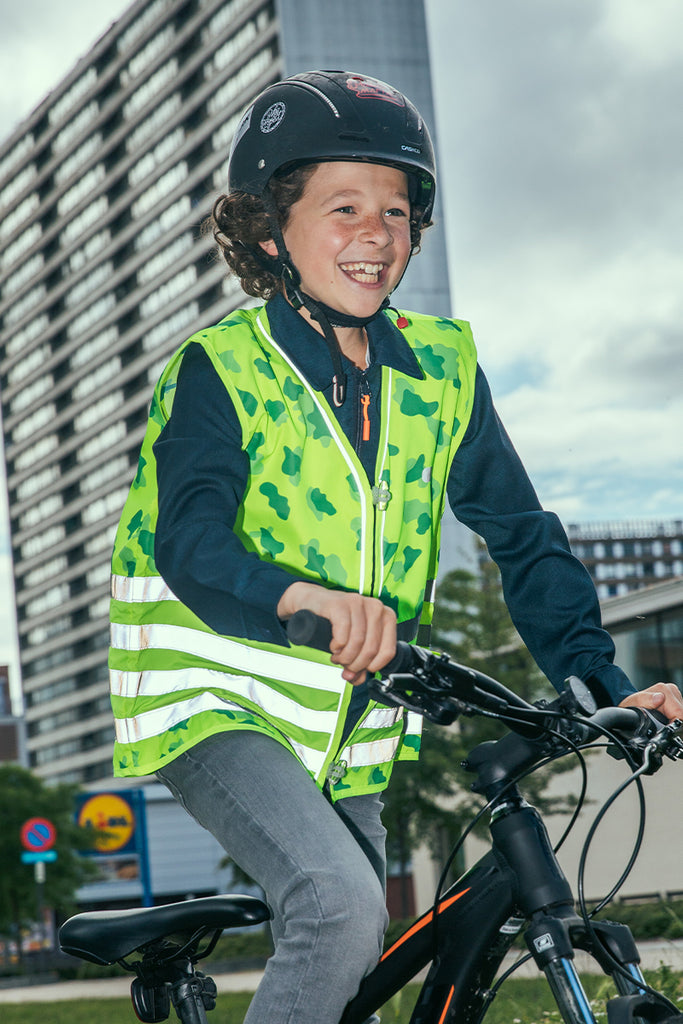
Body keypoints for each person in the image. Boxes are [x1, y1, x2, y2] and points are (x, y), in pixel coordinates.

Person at [108, 71, 683, 1024]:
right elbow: (191, 541)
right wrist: (301, 598)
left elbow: (522, 535)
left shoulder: (443, 367)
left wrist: (603, 685)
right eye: (343, 208)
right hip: (213, 696)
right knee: (335, 906)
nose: (376, 234)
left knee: (357, 964)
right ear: (268, 231)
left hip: (351, 719)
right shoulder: (222, 367)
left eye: (397, 212)